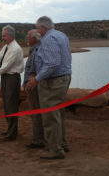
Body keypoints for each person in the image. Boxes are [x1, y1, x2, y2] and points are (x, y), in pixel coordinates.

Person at [26, 16, 71, 159]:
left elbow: (52, 64)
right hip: (62, 79)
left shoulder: (49, 39)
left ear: (42, 28)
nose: (37, 31)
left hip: (53, 82)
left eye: (37, 28)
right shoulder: (61, 35)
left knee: (50, 115)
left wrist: (37, 79)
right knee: (58, 113)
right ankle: (62, 143)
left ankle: (55, 150)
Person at [0, 25, 24, 142]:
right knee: (7, 104)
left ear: (11, 35)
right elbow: (0, 57)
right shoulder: (7, 46)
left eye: (4, 36)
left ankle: (12, 133)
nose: (2, 38)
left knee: (11, 105)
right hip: (6, 78)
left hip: (12, 78)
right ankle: (11, 130)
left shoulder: (15, 49)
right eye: (2, 35)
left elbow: (6, 66)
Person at [23, 29, 45, 149]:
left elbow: (34, 71)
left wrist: (29, 82)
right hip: (35, 85)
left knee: (36, 113)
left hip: (33, 87)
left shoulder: (37, 50)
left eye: (28, 36)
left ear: (34, 39)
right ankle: (40, 138)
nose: (26, 38)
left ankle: (38, 140)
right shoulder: (36, 49)